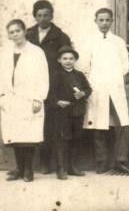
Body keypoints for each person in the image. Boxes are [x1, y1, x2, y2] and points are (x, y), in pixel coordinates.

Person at [82, 8, 129, 174]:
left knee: (123, 124)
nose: (104, 23)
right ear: (96, 21)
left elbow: (125, 65)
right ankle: (102, 161)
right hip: (97, 88)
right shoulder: (90, 42)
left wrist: (114, 79)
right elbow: (84, 66)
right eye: (101, 20)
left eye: (107, 20)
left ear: (112, 21)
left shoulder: (118, 42)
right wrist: (95, 82)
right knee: (100, 125)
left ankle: (121, 161)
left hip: (115, 87)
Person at [25, 0, 73, 174]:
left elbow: (66, 61)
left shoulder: (61, 36)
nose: (42, 19)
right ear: (35, 16)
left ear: (52, 16)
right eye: (39, 15)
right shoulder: (28, 35)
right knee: (32, 123)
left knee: (52, 125)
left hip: (53, 85)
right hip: (33, 84)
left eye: (46, 15)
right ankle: (30, 164)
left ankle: (52, 164)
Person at [0, 19, 49, 182]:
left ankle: (28, 170)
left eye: (18, 31)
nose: (15, 34)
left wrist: (38, 98)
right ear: (8, 35)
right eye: (11, 32)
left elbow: (43, 77)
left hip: (29, 99)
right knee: (14, 135)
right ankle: (19, 169)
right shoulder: (4, 52)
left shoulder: (36, 52)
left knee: (28, 136)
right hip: (10, 100)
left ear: (24, 31)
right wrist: (1, 97)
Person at [46, 45, 91, 179]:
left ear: (75, 60)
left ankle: (72, 167)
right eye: (65, 58)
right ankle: (61, 169)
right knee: (62, 140)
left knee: (75, 138)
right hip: (62, 113)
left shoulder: (79, 75)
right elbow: (49, 94)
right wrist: (57, 102)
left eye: (71, 58)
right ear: (59, 60)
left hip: (77, 111)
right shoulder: (55, 75)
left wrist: (83, 93)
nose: (68, 61)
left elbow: (88, 89)